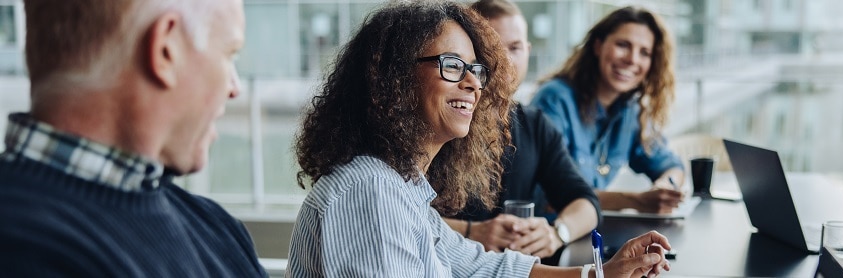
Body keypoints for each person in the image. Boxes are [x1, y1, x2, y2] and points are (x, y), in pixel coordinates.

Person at [287, 2, 670, 277]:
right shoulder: (370, 192)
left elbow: (481, 266)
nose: (473, 82)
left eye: (475, 69)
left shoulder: (401, 187)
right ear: (394, 79)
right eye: (452, 66)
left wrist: (600, 276)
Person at [0, 0, 265, 276]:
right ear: (166, 49)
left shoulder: (217, 228)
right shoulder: (24, 251)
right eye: (229, 54)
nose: (235, 88)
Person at [437, 0, 600, 263]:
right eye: (491, 49)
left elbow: (586, 201)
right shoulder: (441, 119)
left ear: (528, 51)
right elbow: (401, 212)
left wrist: (557, 232)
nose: (505, 61)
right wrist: (471, 232)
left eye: (514, 48)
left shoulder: (534, 125)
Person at [530, 6, 685, 214]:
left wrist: (666, 186)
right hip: (547, 234)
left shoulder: (630, 110)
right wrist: (635, 200)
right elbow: (550, 197)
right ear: (598, 46)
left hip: (590, 231)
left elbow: (671, 165)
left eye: (644, 53)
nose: (632, 59)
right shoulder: (555, 99)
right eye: (623, 45)